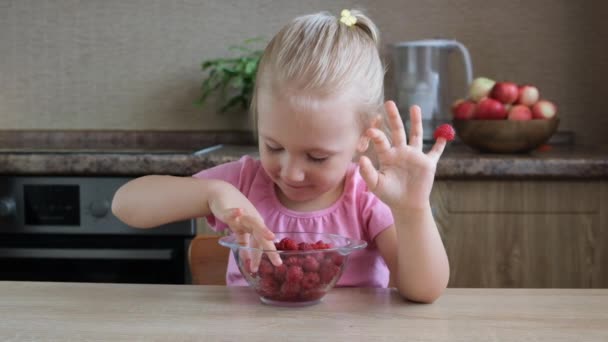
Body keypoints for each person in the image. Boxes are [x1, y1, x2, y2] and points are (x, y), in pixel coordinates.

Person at [112, 9, 449, 303]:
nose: (291, 172)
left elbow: (424, 290)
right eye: (273, 146)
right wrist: (214, 193)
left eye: (317, 157)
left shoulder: (365, 197)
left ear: (364, 135)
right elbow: (125, 205)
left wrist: (412, 210)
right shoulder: (243, 183)